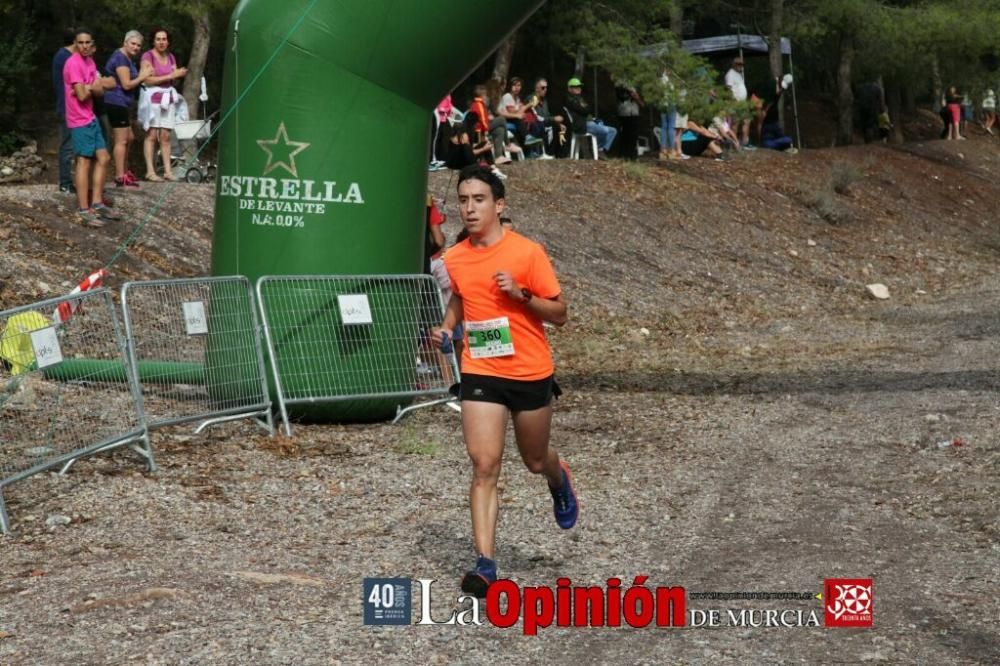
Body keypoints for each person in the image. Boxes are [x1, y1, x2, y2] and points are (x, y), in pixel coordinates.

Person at [431, 165, 577, 599]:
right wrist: (445, 327)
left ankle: (557, 476)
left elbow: (561, 313)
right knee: (484, 464)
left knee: (533, 460)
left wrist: (522, 295)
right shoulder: (453, 258)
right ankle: (486, 565)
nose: (470, 208)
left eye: (478, 200)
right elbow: (462, 297)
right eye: (463, 200)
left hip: (530, 371)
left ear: (499, 205)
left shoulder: (527, 253)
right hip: (481, 370)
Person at [63, 28, 121, 227]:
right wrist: (93, 87)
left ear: (92, 44)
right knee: (84, 161)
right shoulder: (73, 64)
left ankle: (97, 203)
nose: (84, 46)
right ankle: (83, 208)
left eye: (88, 42)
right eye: (81, 43)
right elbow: (81, 95)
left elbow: (104, 87)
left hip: (91, 117)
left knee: (104, 158)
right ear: (75, 44)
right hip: (79, 119)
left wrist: (94, 86)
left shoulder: (90, 61)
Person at [139, 28, 187, 180]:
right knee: (152, 134)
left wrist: (176, 75)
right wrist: (170, 75)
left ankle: (168, 171)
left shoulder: (171, 57)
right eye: (158, 39)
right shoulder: (148, 56)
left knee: (166, 136)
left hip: (167, 98)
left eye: (164, 39)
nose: (161, 42)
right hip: (152, 99)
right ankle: (150, 171)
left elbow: (172, 78)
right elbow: (146, 79)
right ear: (153, 41)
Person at [105, 30, 149, 187]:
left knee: (130, 138)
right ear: (125, 42)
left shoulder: (129, 59)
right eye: (133, 43)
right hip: (115, 101)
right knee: (121, 140)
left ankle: (124, 170)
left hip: (123, 103)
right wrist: (143, 76)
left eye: (139, 45)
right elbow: (126, 84)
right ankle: (119, 176)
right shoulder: (121, 58)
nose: (136, 47)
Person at [565, 77, 617, 158]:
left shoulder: (579, 98)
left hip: (589, 122)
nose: (579, 88)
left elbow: (588, 109)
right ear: (570, 89)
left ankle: (599, 149)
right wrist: (585, 109)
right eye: (576, 87)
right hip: (582, 125)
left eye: (579, 86)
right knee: (605, 130)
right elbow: (585, 110)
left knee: (613, 131)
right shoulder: (570, 100)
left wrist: (585, 109)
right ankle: (598, 150)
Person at [53, 28, 77, 194]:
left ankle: (69, 181)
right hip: (67, 107)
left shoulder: (63, 56)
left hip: (70, 107)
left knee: (71, 145)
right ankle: (65, 182)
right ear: (75, 41)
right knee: (67, 146)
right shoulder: (64, 57)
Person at [724, 57, 752, 148]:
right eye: (739, 64)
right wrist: (734, 101)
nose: (741, 66)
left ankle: (744, 143)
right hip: (735, 104)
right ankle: (733, 145)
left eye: (742, 64)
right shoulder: (730, 74)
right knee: (735, 124)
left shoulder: (739, 75)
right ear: (734, 64)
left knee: (746, 121)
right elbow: (728, 89)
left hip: (742, 103)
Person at [615, 82, 643, 160]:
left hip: (634, 113)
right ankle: (623, 155)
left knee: (633, 136)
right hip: (624, 113)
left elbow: (641, 103)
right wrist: (628, 93)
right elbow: (619, 95)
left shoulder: (637, 85)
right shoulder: (620, 84)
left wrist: (636, 97)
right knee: (624, 134)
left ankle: (633, 155)